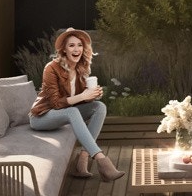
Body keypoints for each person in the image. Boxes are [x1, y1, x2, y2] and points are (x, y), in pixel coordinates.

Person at [29, 28, 123, 181]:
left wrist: (92, 95)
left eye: (79, 45)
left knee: (100, 107)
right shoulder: (51, 68)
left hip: (64, 112)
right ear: (64, 49)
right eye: (71, 45)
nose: (76, 49)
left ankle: (82, 159)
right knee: (72, 112)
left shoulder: (81, 68)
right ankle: (101, 160)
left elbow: (79, 99)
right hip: (42, 116)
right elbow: (55, 103)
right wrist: (82, 96)